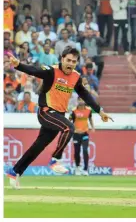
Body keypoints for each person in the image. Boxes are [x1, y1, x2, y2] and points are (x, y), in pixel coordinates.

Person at [6, 46, 113, 189]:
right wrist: (18, 65)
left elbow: (85, 95)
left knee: (38, 147)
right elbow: (35, 70)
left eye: (73, 61)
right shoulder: (52, 71)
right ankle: (55, 160)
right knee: (69, 127)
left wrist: (100, 111)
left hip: (58, 116)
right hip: (46, 112)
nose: (70, 64)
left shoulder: (75, 76)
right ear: (62, 59)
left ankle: (14, 171)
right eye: (68, 60)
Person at [70, 98, 95, 176]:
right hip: (76, 134)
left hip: (85, 133)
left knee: (85, 150)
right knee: (77, 152)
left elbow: (90, 118)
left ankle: (85, 169)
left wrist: (92, 127)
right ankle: (77, 167)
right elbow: (69, 120)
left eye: (82, 100)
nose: (81, 101)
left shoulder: (88, 110)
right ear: (77, 101)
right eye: (79, 100)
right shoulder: (74, 111)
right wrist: (72, 130)